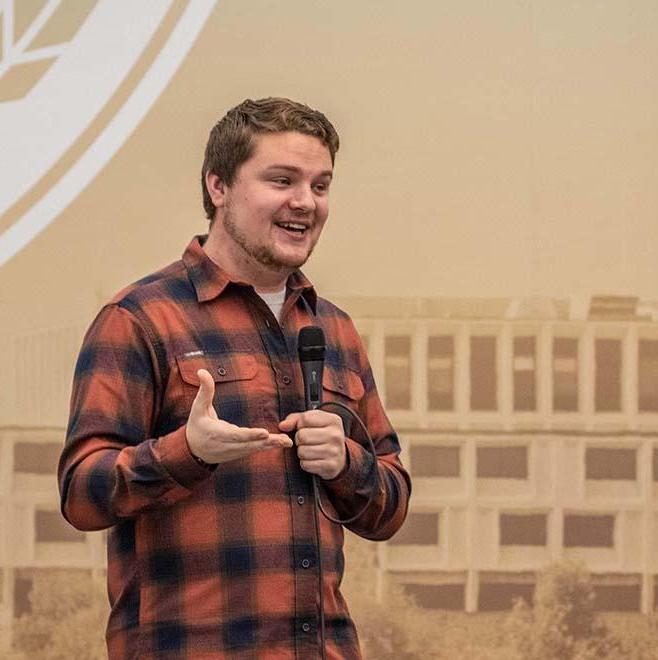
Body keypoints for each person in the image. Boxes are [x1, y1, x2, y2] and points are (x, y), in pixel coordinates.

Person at [58, 97, 411, 659]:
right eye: (282, 180)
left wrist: (348, 463)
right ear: (218, 186)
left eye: (321, 186)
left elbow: (391, 506)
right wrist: (185, 452)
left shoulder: (334, 329)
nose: (305, 202)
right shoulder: (139, 319)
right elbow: (81, 494)